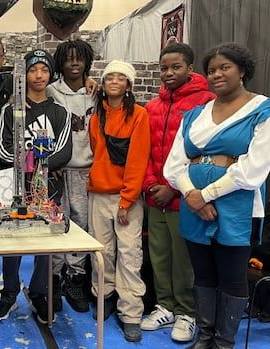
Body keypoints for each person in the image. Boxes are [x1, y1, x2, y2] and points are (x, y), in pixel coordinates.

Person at [164, 43, 270, 349]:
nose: (217, 74)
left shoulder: (264, 111)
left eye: (224, 67)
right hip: (193, 204)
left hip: (236, 207)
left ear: (242, 70)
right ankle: (204, 337)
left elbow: (252, 170)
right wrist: (192, 195)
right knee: (202, 274)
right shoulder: (194, 115)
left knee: (231, 276)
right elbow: (174, 165)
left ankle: (223, 343)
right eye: (211, 70)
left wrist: (206, 194)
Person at [140, 43, 216, 342]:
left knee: (184, 259)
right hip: (154, 197)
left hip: (184, 197)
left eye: (176, 67)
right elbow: (144, 151)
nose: (169, 73)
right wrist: (150, 186)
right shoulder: (152, 107)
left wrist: (173, 188)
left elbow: (203, 155)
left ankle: (187, 312)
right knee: (159, 256)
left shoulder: (205, 104)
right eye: (164, 68)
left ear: (190, 69)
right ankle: (165, 306)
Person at [0, 49, 72, 324]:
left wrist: (28, 159)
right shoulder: (10, 109)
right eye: (32, 70)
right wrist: (37, 160)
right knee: (12, 242)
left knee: (44, 245)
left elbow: (64, 152)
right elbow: (2, 150)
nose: (38, 75)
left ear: (51, 74)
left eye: (44, 70)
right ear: (23, 75)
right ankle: (10, 293)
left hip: (48, 190)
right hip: (16, 190)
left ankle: (39, 292)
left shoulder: (61, 112)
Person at [88, 60, 150, 342]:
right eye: (109, 77)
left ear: (129, 85)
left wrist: (127, 200)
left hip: (127, 198)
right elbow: (95, 151)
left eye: (120, 78)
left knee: (129, 255)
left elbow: (137, 160)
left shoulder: (139, 115)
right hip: (98, 195)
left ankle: (132, 313)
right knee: (102, 252)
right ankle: (104, 297)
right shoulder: (94, 116)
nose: (114, 81)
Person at [47, 39, 96, 313]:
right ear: (61, 62)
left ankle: (75, 277)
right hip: (58, 169)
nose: (74, 63)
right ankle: (52, 278)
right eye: (69, 58)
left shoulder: (95, 93)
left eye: (79, 58)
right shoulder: (52, 92)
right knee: (55, 222)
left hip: (87, 169)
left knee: (80, 224)